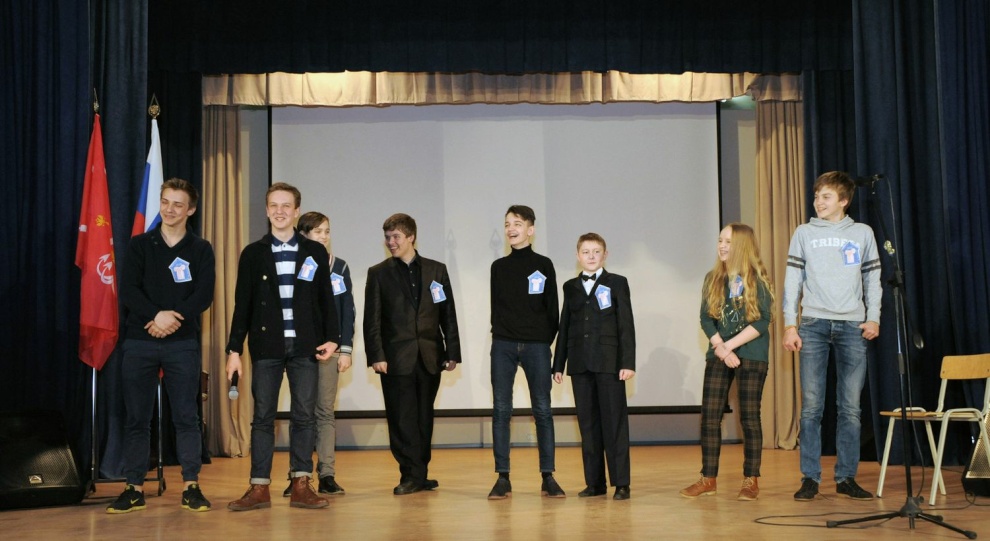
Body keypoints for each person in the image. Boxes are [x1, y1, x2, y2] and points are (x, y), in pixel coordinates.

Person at [225, 183, 340, 511]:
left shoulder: (314, 251)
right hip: (266, 346)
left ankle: (301, 483)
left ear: (296, 211)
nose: (280, 211)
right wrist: (234, 350)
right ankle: (259, 487)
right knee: (263, 417)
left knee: (304, 416)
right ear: (266, 211)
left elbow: (326, 299)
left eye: (286, 205)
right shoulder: (253, 253)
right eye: (274, 205)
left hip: (305, 346)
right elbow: (242, 306)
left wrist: (333, 337)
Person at [110, 178, 216, 514]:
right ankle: (134, 488)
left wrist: (173, 318)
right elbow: (129, 290)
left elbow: (203, 295)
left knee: (186, 417)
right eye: (165, 202)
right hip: (139, 342)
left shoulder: (201, 249)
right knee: (137, 419)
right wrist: (155, 315)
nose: (169, 209)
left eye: (178, 204)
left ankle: (191, 486)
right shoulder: (140, 245)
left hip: (181, 344)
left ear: (191, 210)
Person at [783, 171, 881, 502]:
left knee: (850, 408)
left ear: (844, 200)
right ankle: (810, 478)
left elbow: (873, 280)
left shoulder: (862, 233)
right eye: (816, 196)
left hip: (852, 326)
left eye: (825, 197)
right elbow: (792, 281)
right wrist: (790, 324)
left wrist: (873, 317)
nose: (818, 202)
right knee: (812, 407)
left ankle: (846, 478)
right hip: (813, 323)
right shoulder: (804, 233)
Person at [364, 213, 460, 495]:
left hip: (430, 356)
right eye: (387, 237)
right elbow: (372, 320)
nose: (390, 242)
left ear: (411, 237)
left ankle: (420, 473)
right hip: (395, 358)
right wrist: (376, 355)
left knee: (423, 418)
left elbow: (448, 313)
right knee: (401, 418)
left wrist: (452, 351)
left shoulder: (436, 270)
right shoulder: (378, 273)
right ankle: (410, 474)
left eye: (396, 237)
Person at [680, 223, 773, 501]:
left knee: (749, 416)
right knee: (710, 416)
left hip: (751, 353)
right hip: (720, 354)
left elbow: (763, 321)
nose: (721, 245)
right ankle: (708, 478)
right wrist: (720, 348)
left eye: (728, 242)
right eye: (720, 240)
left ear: (742, 246)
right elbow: (705, 318)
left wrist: (728, 346)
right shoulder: (713, 278)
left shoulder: (757, 278)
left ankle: (751, 479)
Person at [488, 205, 564, 500]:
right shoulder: (498, 267)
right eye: (507, 223)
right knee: (501, 409)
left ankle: (548, 476)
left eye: (517, 223)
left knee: (542, 409)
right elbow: (496, 308)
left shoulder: (544, 265)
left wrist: (541, 341)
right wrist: (502, 336)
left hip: (536, 346)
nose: (511, 228)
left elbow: (552, 310)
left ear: (530, 230)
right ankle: (502, 477)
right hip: (504, 345)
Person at [552, 233, 635, 501]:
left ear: (605, 255)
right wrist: (558, 364)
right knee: (588, 426)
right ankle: (595, 482)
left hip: (609, 364)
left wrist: (627, 362)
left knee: (614, 424)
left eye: (596, 251)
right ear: (578, 256)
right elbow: (565, 326)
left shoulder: (617, 283)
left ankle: (621, 483)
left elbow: (626, 324)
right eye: (585, 252)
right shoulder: (570, 286)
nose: (591, 256)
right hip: (580, 364)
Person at [279, 212, 355, 498]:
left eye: (327, 231)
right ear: (304, 235)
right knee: (301, 412)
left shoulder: (340, 267)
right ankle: (297, 475)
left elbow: (347, 310)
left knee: (324, 411)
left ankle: (327, 475)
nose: (324, 236)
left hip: (329, 349)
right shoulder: (296, 264)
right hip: (300, 349)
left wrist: (345, 349)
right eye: (317, 231)